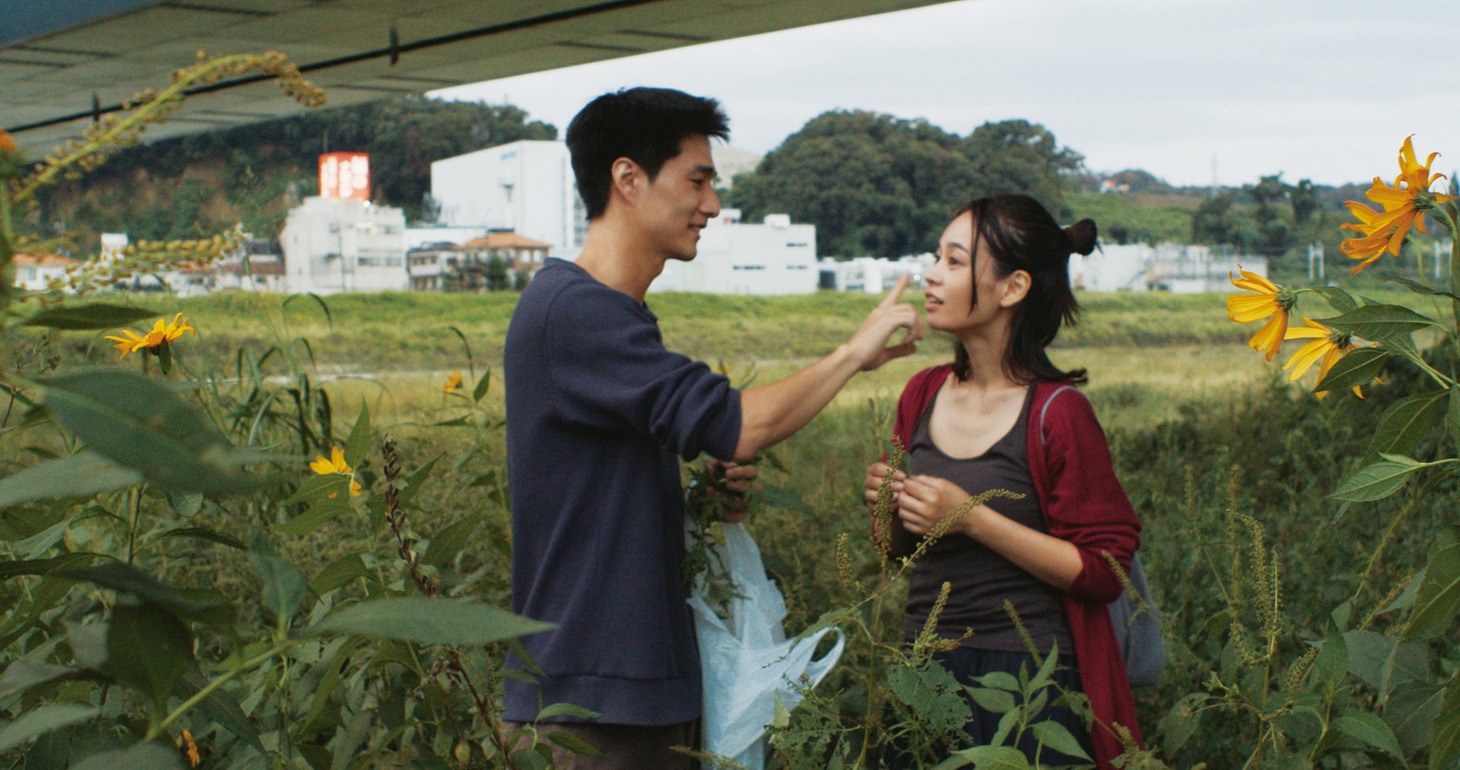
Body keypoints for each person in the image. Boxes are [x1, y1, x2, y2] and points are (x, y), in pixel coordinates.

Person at [503, 86, 923, 769]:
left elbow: (596, 495)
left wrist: (694, 503)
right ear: (628, 179)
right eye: (696, 180)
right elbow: (738, 424)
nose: (712, 205)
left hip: (629, 690)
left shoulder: (608, 313)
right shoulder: (576, 313)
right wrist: (854, 353)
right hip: (589, 705)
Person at [863, 194, 1143, 769]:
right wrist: (892, 508)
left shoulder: (1058, 414)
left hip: (1030, 685)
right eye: (936, 257)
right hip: (925, 672)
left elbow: (1104, 571)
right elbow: (901, 554)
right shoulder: (921, 392)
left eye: (955, 261)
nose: (931, 275)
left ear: (1013, 288)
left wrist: (971, 516)